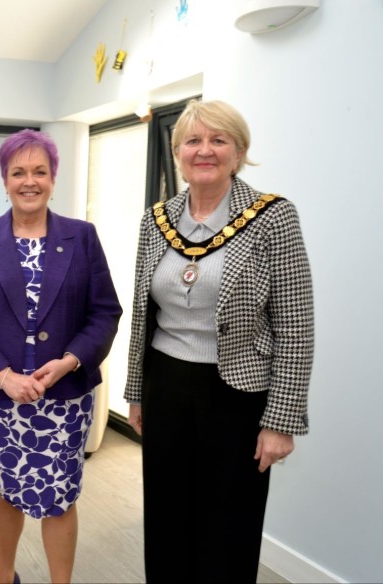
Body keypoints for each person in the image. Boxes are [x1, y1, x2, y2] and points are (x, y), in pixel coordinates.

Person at [124, 99, 313, 582]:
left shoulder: (272, 217)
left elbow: (296, 326)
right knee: (166, 517)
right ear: (177, 153)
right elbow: (143, 314)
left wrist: (281, 421)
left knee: (229, 524)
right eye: (192, 141)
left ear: (239, 151)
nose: (204, 150)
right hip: (166, 384)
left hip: (238, 395)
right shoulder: (156, 219)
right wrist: (137, 392)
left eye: (218, 140)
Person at [0, 129, 122, 584]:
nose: (29, 181)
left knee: (59, 498)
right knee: (5, 490)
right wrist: (3, 376)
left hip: (64, 398)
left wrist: (70, 360)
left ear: (53, 179)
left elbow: (105, 312)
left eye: (40, 171)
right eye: (18, 172)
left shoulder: (82, 237)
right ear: (4, 180)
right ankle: (4, 576)